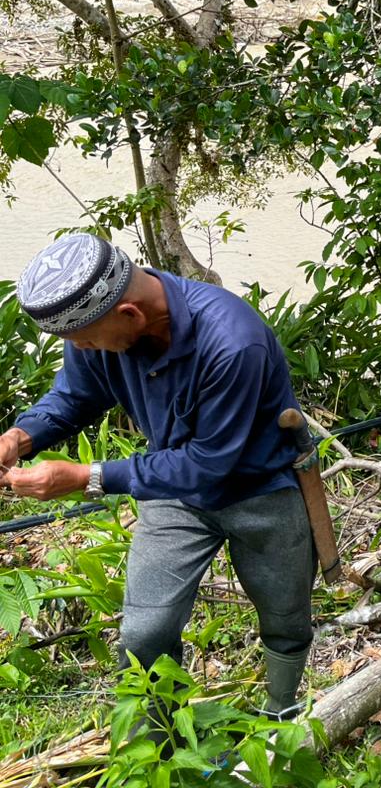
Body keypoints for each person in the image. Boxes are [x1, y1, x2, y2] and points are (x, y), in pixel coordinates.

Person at [0, 234, 314, 718]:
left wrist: (88, 476)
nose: (80, 349)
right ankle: (161, 739)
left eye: (83, 341)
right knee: (145, 631)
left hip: (261, 490)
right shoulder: (97, 324)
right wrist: (19, 438)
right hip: (172, 491)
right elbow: (73, 397)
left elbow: (208, 463)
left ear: (130, 315)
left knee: (285, 616)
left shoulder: (232, 343)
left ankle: (282, 716)